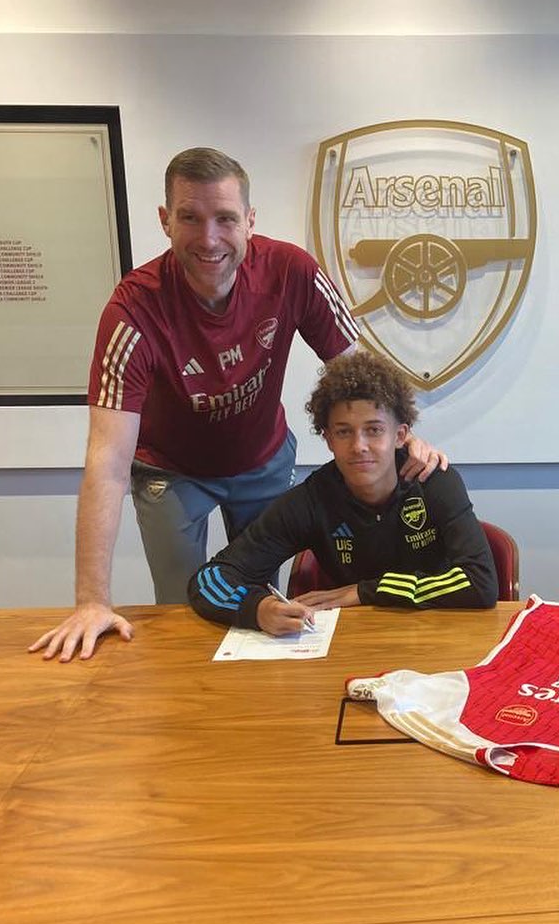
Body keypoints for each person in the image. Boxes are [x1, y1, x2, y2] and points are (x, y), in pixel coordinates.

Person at [30, 147, 444, 662]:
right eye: (190, 217)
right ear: (165, 220)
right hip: (171, 473)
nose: (209, 239)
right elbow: (107, 464)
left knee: (252, 601)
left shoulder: (291, 271)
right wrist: (92, 602)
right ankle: (188, 710)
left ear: (249, 220)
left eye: (225, 218)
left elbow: (363, 376)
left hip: (262, 460)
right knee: (188, 607)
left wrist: (406, 435)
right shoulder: (131, 311)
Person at [188, 351, 497, 633]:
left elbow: (480, 582)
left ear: (400, 435)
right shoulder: (313, 499)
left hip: (441, 634)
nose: (359, 446)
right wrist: (258, 609)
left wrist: (365, 591)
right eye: (344, 431)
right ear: (328, 440)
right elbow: (209, 580)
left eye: (374, 430)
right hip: (352, 644)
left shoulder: (433, 480)